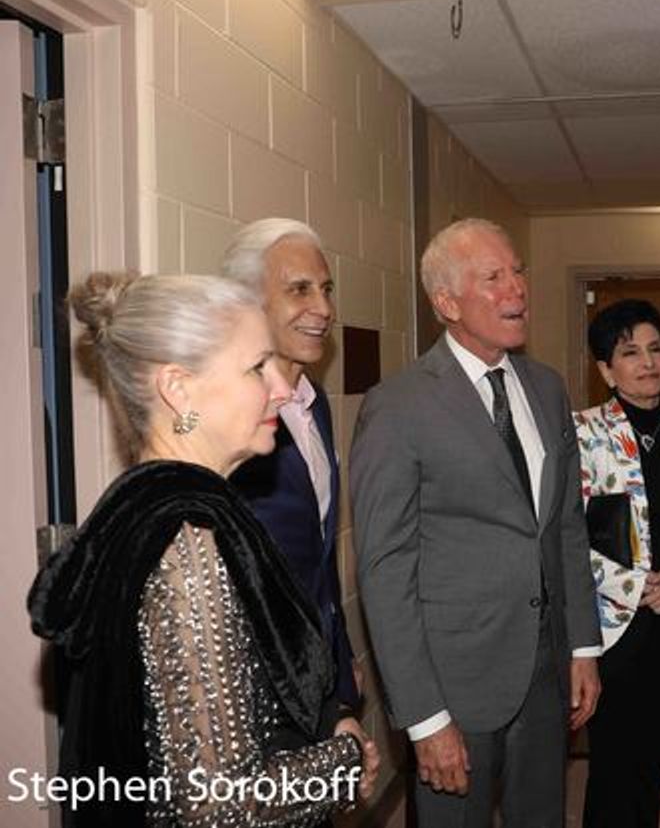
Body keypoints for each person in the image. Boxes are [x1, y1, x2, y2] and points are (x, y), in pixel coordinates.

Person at [28, 272, 379, 827]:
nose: (284, 389)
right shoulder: (187, 542)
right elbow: (221, 804)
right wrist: (345, 760)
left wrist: (320, 725)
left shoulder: (142, 507)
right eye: (257, 367)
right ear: (179, 389)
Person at [351, 218, 601, 827]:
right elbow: (384, 569)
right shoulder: (398, 406)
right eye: (494, 277)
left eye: (518, 272)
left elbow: (564, 524)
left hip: (545, 679)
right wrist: (424, 717)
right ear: (446, 302)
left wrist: (583, 645)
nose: (517, 288)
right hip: (453, 688)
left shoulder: (545, 388)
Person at [223, 219, 363, 724]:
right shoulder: (227, 416)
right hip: (254, 696)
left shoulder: (314, 404)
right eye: (299, 290)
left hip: (316, 678)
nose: (323, 309)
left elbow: (320, 559)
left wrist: (341, 669)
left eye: (325, 290)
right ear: (248, 303)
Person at [574, 299, 660, 828]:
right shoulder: (580, 434)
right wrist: (637, 584)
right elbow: (565, 539)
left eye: (655, 348)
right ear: (605, 369)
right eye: (629, 352)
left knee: (654, 764)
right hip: (610, 625)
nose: (647, 362)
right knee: (613, 768)